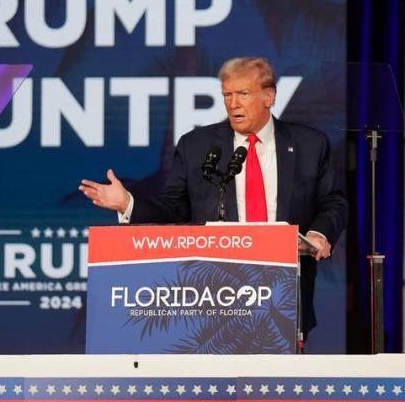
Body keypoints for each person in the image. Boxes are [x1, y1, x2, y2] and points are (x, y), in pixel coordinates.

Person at [79, 56, 348, 336]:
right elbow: (172, 210)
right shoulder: (197, 146)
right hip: (214, 299)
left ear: (268, 97)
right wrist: (127, 203)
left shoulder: (309, 144)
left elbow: (333, 201)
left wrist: (319, 234)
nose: (233, 104)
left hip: (285, 296)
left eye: (243, 94)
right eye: (227, 95)